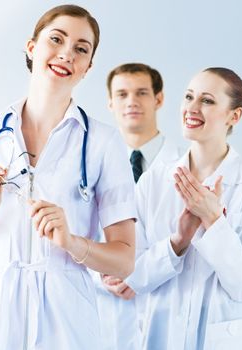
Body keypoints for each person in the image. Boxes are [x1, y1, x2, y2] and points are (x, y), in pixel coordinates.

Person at [0, 5, 136, 349]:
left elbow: (124, 260)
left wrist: (72, 242)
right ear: (31, 48)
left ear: (88, 67)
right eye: (56, 39)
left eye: (81, 48)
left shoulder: (103, 143)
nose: (66, 54)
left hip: (66, 320)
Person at [124, 67, 242, 349]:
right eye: (188, 97)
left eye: (207, 101)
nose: (192, 108)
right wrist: (177, 242)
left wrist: (213, 220)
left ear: (235, 116)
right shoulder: (153, 181)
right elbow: (133, 274)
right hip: (162, 336)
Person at [97, 63, 181, 349]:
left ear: (158, 99)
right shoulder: (93, 167)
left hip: (167, 309)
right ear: (110, 102)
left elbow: (189, 242)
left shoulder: (186, 169)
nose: (131, 101)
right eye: (121, 94)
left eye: (141, 93)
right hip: (105, 315)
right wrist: (105, 274)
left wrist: (138, 276)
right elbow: (76, 237)